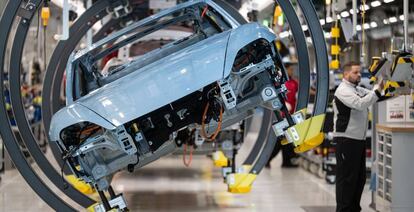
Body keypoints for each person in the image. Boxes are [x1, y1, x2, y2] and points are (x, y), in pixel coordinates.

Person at [333, 61, 385, 212]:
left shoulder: (357, 89)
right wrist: (377, 91)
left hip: (357, 140)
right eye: (355, 72)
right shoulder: (343, 91)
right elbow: (360, 104)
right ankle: (344, 209)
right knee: (347, 179)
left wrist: (383, 90)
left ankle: (354, 209)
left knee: (359, 178)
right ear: (346, 74)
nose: (359, 75)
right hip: (346, 140)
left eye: (360, 72)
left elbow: (372, 96)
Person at [266, 60, 299, 168]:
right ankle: (268, 159)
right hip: (283, 115)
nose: (292, 71)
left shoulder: (294, 82)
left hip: (292, 115)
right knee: (281, 141)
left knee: (287, 140)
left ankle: (286, 161)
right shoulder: (279, 83)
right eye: (290, 69)